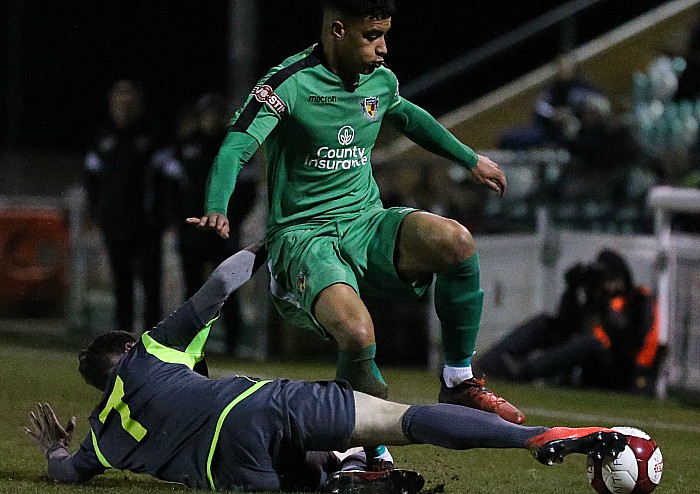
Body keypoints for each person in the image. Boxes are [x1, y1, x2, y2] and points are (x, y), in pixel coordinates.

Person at [190, 3, 524, 472]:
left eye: (385, 34)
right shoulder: (289, 82)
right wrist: (217, 206)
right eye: (372, 36)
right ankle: (367, 450)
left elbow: (408, 117)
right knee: (357, 332)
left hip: (366, 221)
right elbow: (237, 145)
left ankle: (458, 379)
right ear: (337, 30)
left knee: (456, 242)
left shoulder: (380, 80)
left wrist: (470, 159)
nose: (383, 47)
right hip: (303, 236)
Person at [25, 244, 629, 493]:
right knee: (406, 419)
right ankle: (536, 438)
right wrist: (273, 244)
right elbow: (219, 286)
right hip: (257, 403)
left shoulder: (102, 440)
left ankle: (346, 482)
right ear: (128, 350)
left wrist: (56, 447)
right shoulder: (154, 349)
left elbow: (63, 474)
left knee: (305, 475)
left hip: (231, 464)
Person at [156, 93, 258, 354]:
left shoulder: (234, 145)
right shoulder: (184, 146)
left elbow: (248, 190)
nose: (211, 119)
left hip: (223, 232)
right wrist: (176, 220)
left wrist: (229, 220)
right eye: (207, 114)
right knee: (192, 291)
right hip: (191, 230)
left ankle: (232, 345)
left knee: (227, 288)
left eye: (216, 114)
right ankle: (189, 345)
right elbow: (169, 187)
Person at [477, 249, 660, 392]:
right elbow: (566, 323)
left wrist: (604, 305)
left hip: (622, 370)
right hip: (590, 363)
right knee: (545, 323)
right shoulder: (594, 297)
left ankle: (523, 371)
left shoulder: (636, 299)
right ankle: (489, 363)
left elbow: (628, 339)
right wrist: (572, 289)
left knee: (593, 343)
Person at [84, 80, 167, 333]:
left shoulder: (154, 135)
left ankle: (154, 340)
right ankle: (123, 337)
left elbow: (165, 180)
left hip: (147, 222)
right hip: (115, 221)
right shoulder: (103, 136)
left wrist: (162, 214)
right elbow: (92, 179)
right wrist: (98, 212)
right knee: (121, 282)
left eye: (129, 101)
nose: (123, 106)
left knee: (150, 283)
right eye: (119, 101)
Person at [499, 53, 605, 150]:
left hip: (575, 133)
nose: (563, 70)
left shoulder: (582, 88)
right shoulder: (553, 89)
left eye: (566, 67)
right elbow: (541, 109)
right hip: (549, 128)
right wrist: (554, 114)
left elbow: (598, 107)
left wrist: (571, 113)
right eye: (560, 67)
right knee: (508, 138)